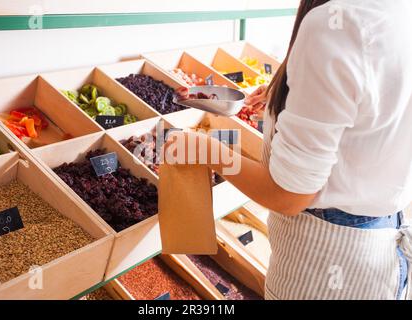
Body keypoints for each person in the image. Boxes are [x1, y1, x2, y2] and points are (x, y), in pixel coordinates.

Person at [164, 0, 412, 300]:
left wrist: (207, 151)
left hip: (324, 265)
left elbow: (287, 196)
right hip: (380, 248)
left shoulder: (334, 26)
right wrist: (292, 95)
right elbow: (373, 107)